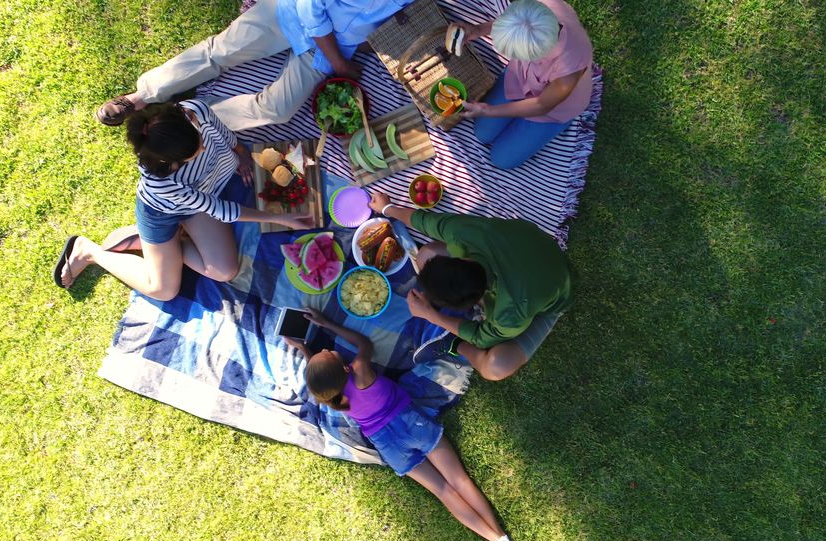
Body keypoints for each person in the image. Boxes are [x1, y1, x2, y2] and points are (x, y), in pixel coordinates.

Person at [286, 308, 537, 541]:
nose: (325, 350)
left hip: (389, 446)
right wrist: (327, 322)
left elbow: (322, 384)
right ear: (345, 367)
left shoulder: (333, 399)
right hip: (410, 425)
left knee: (443, 491)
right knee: (458, 479)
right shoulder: (360, 371)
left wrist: (305, 350)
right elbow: (363, 343)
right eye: (327, 353)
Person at [53, 100, 309, 300]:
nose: (205, 148)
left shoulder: (194, 110)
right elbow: (219, 210)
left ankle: (162, 244)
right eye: (194, 152)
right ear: (169, 162)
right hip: (163, 215)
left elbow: (223, 134)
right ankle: (90, 252)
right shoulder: (162, 182)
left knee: (224, 270)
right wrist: (279, 218)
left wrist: (239, 151)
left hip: (200, 200)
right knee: (164, 290)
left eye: (198, 139)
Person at [95, 0, 412, 131]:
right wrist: (339, 63)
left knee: (279, 109)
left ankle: (188, 116)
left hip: (331, 48)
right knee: (220, 52)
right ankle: (142, 96)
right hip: (292, 17)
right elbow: (310, 10)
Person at [367, 192, 571, 382]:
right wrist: (387, 209)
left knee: (495, 367)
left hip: (553, 296)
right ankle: (451, 322)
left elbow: (482, 338)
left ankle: (455, 344)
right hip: (532, 253)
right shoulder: (463, 232)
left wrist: (431, 315)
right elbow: (424, 221)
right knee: (425, 256)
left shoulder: (508, 314)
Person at [454, 0, 593, 169]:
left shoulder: (571, 64)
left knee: (501, 159)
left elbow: (542, 105)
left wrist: (488, 110)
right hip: (521, 78)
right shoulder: (538, 7)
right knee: (482, 133)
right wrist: (478, 30)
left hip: (552, 108)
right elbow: (512, 22)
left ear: (537, 54)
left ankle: (556, 125)